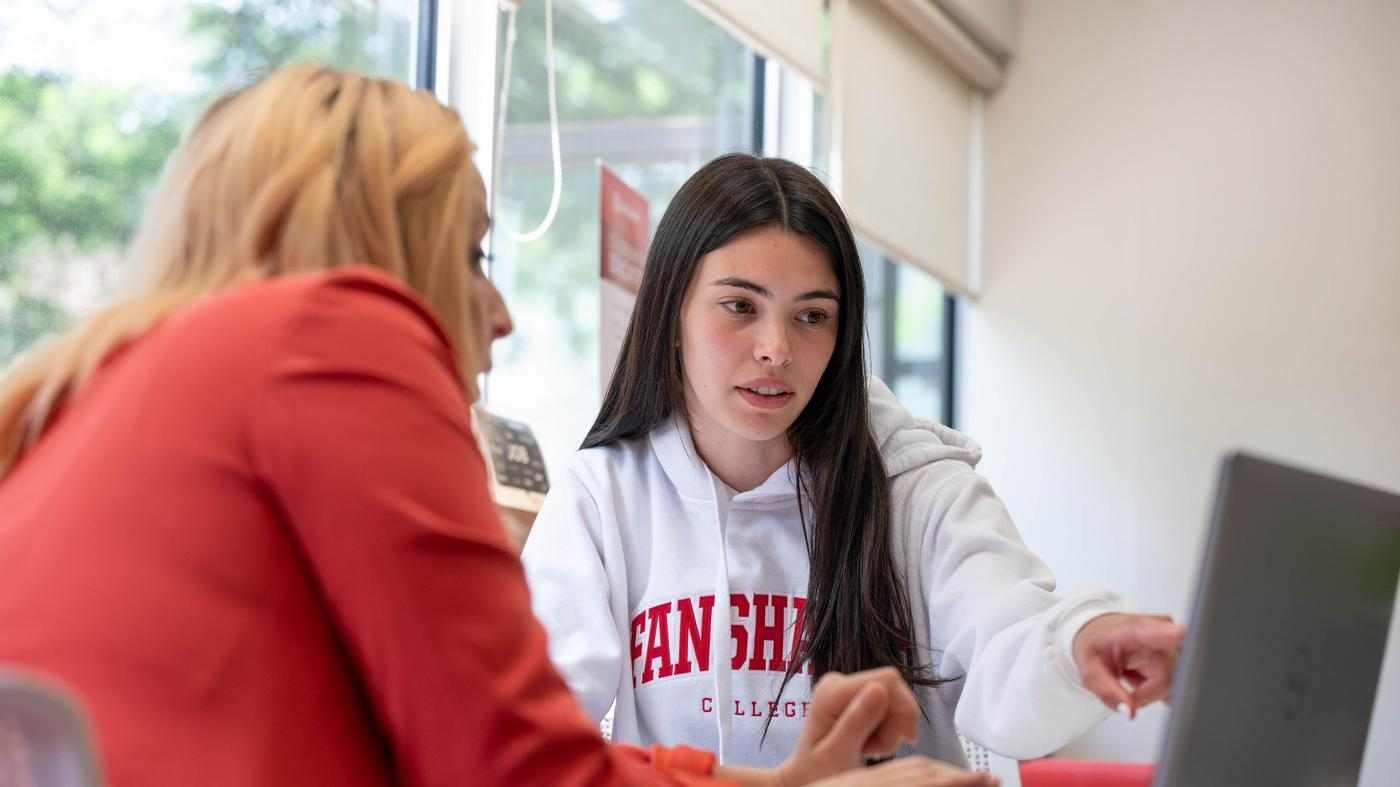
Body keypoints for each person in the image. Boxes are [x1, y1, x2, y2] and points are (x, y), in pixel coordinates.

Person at [0, 66, 991, 787]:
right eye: (472, 257)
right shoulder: (335, 334)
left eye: (809, 316)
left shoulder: (92, 388)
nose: (502, 314)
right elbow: (512, 767)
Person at [520, 154, 1187, 767]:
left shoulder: (914, 484)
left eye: (812, 316)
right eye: (739, 306)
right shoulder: (601, 495)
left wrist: (1077, 642)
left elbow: (1009, 644)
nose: (776, 347)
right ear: (671, 312)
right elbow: (537, 731)